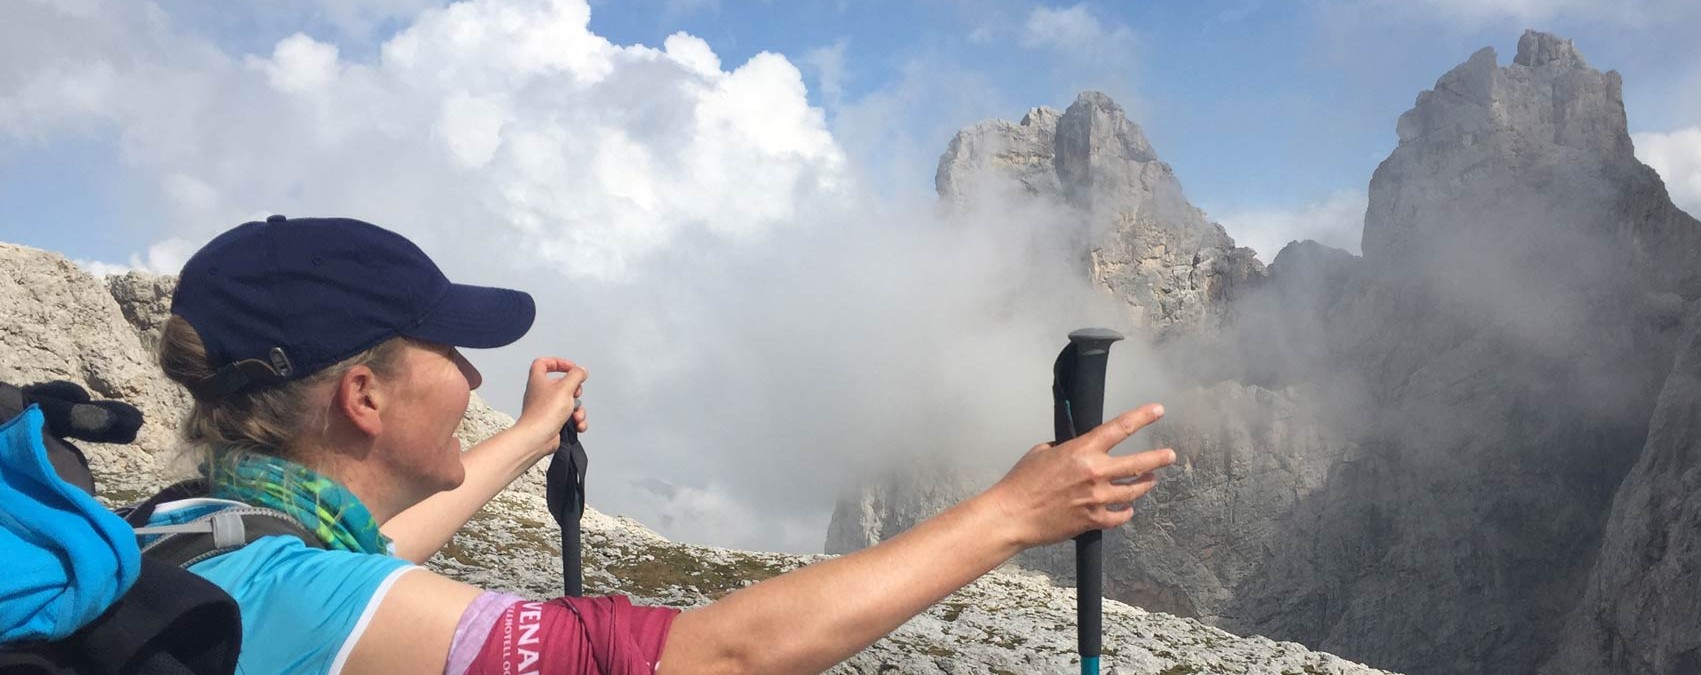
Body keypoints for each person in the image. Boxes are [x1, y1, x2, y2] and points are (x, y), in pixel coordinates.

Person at [149, 215, 1177, 674]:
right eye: (449, 348)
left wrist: (524, 438)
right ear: (365, 395)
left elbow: (380, 555)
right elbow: (712, 658)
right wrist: (1012, 515)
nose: (469, 373)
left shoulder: (196, 531)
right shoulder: (309, 600)